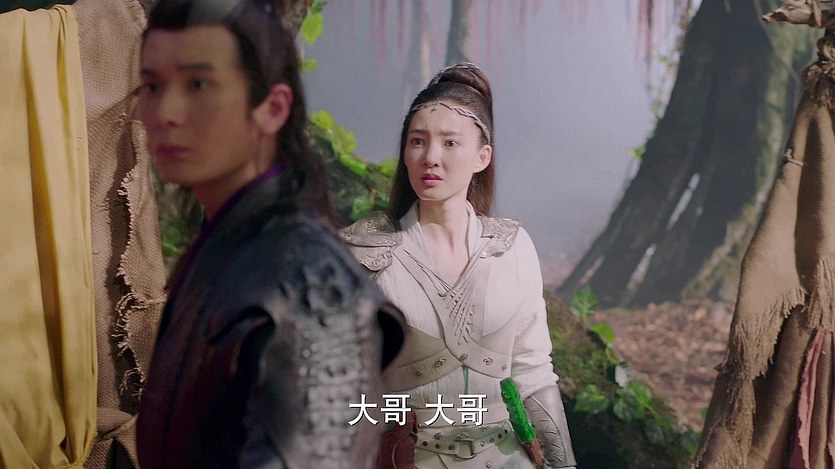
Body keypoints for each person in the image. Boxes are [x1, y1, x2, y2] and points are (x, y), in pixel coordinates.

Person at [134, 0, 404, 467]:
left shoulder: (310, 284)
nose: (164, 112)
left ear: (273, 108)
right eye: (152, 86)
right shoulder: (229, 245)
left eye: (198, 84)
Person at [342, 63, 577, 469]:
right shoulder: (366, 253)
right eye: (418, 141)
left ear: (482, 157)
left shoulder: (512, 248)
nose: (430, 157)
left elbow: (534, 372)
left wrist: (564, 465)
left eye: (450, 143)